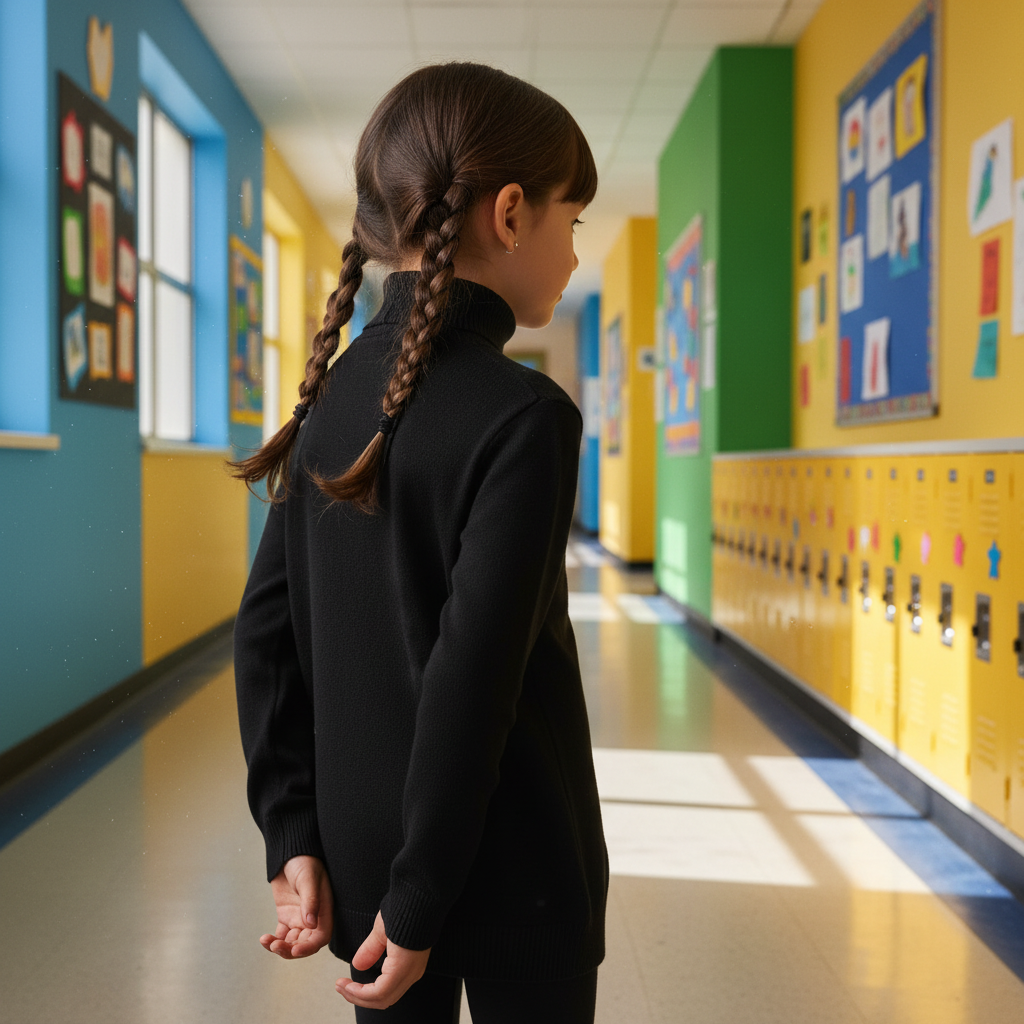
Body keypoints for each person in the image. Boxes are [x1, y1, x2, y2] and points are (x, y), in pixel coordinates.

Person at [230, 62, 607, 1024]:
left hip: (367, 868)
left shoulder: (331, 399)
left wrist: (292, 832)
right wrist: (425, 893)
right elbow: (472, 675)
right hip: (513, 861)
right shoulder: (525, 415)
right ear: (512, 214)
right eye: (573, 221)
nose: (572, 254)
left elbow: (262, 634)